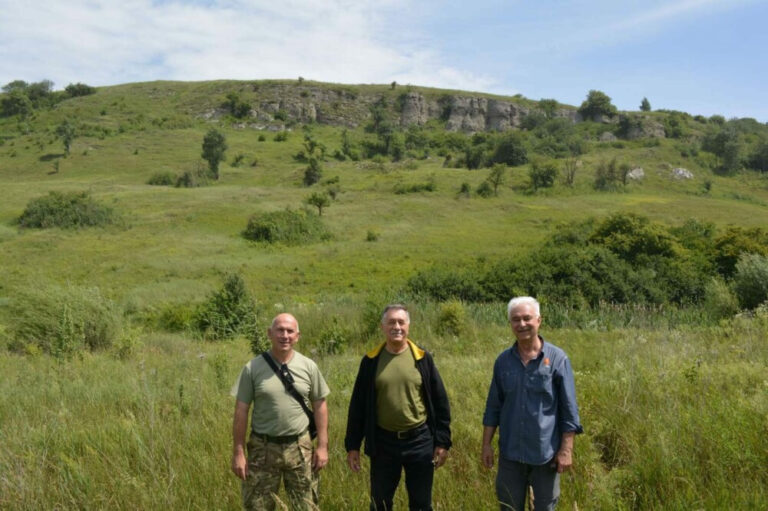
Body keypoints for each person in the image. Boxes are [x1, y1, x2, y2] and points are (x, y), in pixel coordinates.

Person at [345, 304, 452, 511]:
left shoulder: (423, 358)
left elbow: (440, 402)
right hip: (383, 443)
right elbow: (358, 406)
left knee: (421, 504)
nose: (397, 327)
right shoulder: (370, 361)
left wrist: (442, 441)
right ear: (382, 327)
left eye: (401, 322)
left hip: (420, 441)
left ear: (408, 326)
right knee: (380, 504)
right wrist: (352, 446)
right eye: (391, 322)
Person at [481, 297, 583, 511]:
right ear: (510, 324)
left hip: (545, 457)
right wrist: (486, 445)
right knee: (508, 507)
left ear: (539, 320)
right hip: (510, 456)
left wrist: (566, 450)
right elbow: (493, 407)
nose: (522, 324)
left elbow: (569, 409)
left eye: (527, 318)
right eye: (516, 319)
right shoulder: (503, 362)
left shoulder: (557, 359)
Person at [231, 313, 330, 511]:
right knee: (257, 507)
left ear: (297, 336)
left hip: (301, 448)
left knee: (306, 506)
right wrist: (239, 452)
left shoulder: (308, 366)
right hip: (263, 450)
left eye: (290, 331)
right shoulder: (252, 368)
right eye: (280, 330)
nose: (285, 335)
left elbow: (320, 405)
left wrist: (322, 446)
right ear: (270, 333)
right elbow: (241, 410)